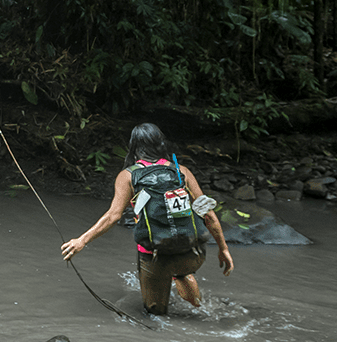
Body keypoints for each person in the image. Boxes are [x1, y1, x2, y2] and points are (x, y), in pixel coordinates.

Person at [59, 123, 233, 315]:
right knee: (182, 271)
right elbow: (207, 213)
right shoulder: (181, 171)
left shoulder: (128, 176)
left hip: (156, 256)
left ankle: (174, 287)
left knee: (155, 314)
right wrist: (223, 249)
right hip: (193, 252)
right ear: (161, 144)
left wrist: (81, 241)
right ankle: (193, 295)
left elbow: (113, 216)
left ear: (133, 146)